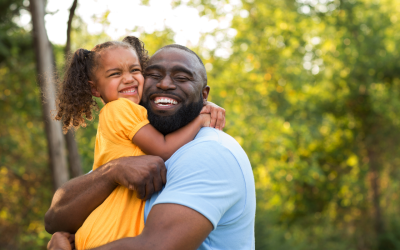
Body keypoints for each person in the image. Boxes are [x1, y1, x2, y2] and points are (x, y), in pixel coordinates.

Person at [46, 42, 256, 250]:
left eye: (181, 78)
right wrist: (113, 171)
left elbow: (154, 246)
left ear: (203, 95)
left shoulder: (210, 152)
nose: (164, 84)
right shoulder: (132, 145)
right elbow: (55, 219)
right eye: (153, 76)